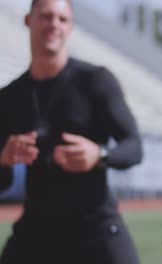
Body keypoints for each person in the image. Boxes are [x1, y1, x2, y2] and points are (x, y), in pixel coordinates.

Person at [0, 0, 143, 263]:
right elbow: (2, 182)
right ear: (28, 20)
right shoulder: (9, 97)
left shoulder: (95, 81)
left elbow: (134, 147)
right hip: (37, 228)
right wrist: (3, 159)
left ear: (70, 27)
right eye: (45, 16)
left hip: (96, 226)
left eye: (62, 19)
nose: (54, 24)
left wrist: (99, 155)